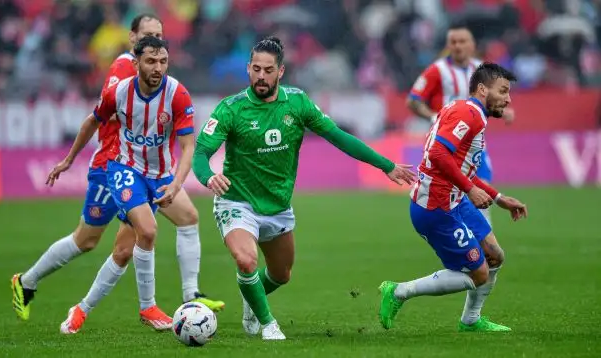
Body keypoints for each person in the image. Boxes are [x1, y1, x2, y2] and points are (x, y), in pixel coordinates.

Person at [192, 36, 416, 340]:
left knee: (281, 275)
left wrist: (386, 165)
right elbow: (201, 154)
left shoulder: (297, 102)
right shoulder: (231, 109)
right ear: (248, 69)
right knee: (246, 260)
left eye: (268, 70)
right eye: (256, 69)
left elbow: (338, 136)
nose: (261, 76)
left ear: (280, 71)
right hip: (237, 201)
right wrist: (207, 177)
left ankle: (251, 295)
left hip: (278, 205)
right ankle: (268, 324)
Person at [11, 16, 222, 332]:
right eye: (147, 38)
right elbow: (98, 117)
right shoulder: (122, 74)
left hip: (153, 171)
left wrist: (175, 180)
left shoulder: (173, 87)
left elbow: (185, 142)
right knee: (88, 240)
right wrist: (71, 159)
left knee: (172, 224)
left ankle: (188, 297)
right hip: (113, 165)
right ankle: (28, 281)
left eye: (159, 38)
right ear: (133, 41)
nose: (155, 55)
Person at [379, 63, 528, 332]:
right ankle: (398, 291)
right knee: (479, 273)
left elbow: (460, 166)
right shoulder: (467, 114)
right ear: (482, 89)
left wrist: (498, 197)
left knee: (494, 255)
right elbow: (438, 154)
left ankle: (471, 320)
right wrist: (471, 190)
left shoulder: (464, 110)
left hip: (454, 200)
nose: (508, 99)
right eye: (503, 91)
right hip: (435, 208)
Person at [406, 23, 514, 225]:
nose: (457, 46)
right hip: (449, 143)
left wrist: (503, 111)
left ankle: (480, 244)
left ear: (472, 45)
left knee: (482, 193)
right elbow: (412, 100)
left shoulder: (481, 70)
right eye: (453, 42)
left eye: (462, 41)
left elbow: (491, 97)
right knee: (452, 195)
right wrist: (433, 117)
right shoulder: (436, 70)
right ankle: (465, 245)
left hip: (474, 143)